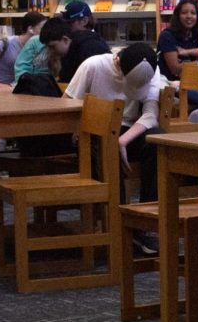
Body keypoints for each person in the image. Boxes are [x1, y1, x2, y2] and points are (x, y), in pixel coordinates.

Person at [64, 43, 168, 232]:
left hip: (127, 132)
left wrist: (123, 140)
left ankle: (147, 221)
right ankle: (118, 225)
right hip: (95, 132)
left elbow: (150, 115)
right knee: (105, 145)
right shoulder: (93, 65)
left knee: (157, 141)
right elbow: (67, 107)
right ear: (118, 64)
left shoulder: (151, 68)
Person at [0, 11, 46, 90]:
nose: (46, 32)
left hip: (8, 91)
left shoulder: (38, 48)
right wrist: (2, 88)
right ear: (30, 29)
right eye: (43, 28)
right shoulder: (6, 43)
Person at [157, 0, 198, 87]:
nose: (189, 16)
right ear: (178, 16)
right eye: (184, 13)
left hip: (193, 81)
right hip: (170, 84)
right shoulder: (167, 36)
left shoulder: (196, 34)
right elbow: (176, 70)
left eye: (193, 13)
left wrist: (188, 52)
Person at [58, 0, 111, 83]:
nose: (66, 27)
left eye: (70, 23)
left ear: (84, 21)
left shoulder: (91, 45)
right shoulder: (97, 41)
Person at [15, 17, 71, 82]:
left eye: (52, 46)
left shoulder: (64, 47)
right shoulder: (35, 41)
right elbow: (21, 68)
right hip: (31, 84)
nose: (51, 50)